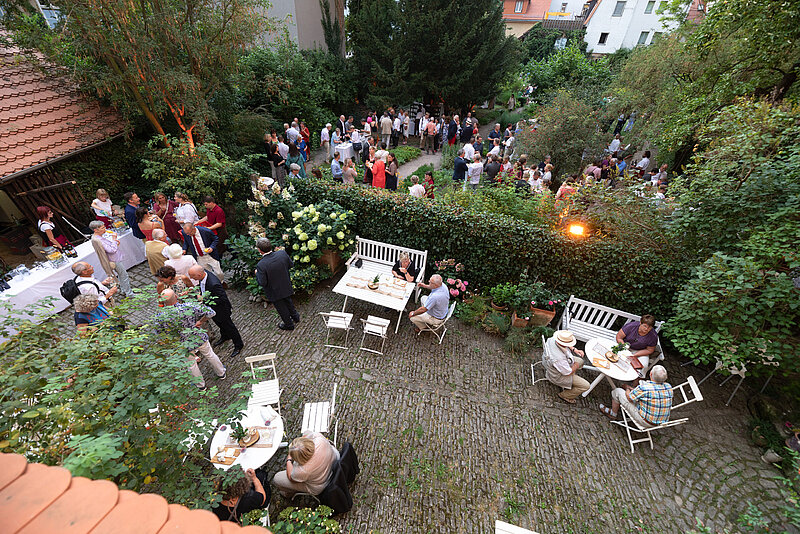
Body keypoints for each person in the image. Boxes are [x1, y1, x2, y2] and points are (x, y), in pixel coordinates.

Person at [156, 288, 226, 389]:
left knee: (191, 365)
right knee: (210, 354)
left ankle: (200, 386)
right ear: (176, 296)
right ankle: (221, 373)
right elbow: (211, 313)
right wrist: (200, 321)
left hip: (182, 344)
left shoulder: (161, 316)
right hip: (198, 337)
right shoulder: (189, 306)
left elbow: (158, 332)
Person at [188, 265, 244, 358]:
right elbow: (202, 286)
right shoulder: (203, 274)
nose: (191, 278)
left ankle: (238, 344)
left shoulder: (213, 284)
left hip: (221, 309)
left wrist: (204, 299)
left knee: (229, 326)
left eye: (192, 276)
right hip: (213, 309)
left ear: (199, 274)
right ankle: (225, 336)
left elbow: (222, 299)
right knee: (218, 323)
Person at [599, 365, 672, 427]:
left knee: (617, 391)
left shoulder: (645, 388)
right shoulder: (668, 387)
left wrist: (627, 388)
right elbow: (644, 394)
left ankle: (613, 414)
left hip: (645, 421)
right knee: (637, 396)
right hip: (660, 422)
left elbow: (629, 398)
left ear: (650, 374)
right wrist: (631, 389)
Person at [272, 431, 340, 498]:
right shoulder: (320, 440)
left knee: (277, 478)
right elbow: (307, 433)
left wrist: (289, 460)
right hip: (334, 461)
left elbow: (291, 477)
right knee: (306, 432)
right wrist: (300, 443)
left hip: (322, 484)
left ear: (297, 458)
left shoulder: (301, 470)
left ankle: (289, 493)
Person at [254, 237, 300, 331]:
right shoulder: (282, 254)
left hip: (274, 290)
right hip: (285, 284)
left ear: (260, 250)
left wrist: (257, 274)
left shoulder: (261, 265)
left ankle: (288, 324)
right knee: (288, 301)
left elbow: (262, 282)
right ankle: (295, 317)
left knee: (281, 308)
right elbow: (291, 265)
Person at [543, 330, 589, 404]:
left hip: (554, 363)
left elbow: (563, 343)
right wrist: (576, 365)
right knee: (586, 386)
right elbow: (567, 372)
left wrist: (575, 349)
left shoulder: (553, 339)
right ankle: (565, 395)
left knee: (581, 361)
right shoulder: (558, 358)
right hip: (558, 376)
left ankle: (574, 376)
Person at [89, 220, 132, 297]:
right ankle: (129, 293)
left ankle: (123, 290)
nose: (105, 229)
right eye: (102, 228)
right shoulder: (98, 240)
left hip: (112, 259)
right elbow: (111, 250)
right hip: (114, 260)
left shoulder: (97, 237)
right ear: (96, 230)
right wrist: (114, 240)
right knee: (124, 275)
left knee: (121, 275)